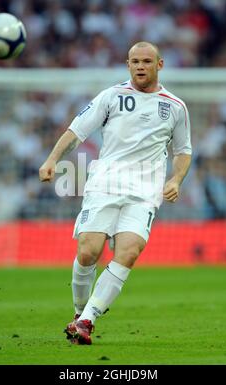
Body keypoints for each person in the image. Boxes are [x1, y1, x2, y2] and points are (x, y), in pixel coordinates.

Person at [39, 41, 192, 345]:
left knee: (129, 251)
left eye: (147, 61)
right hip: (105, 185)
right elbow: (77, 130)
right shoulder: (111, 96)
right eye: (134, 61)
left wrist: (176, 179)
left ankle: (87, 320)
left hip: (144, 192)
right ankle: (81, 313)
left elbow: (183, 150)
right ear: (127, 64)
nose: (140, 66)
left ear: (159, 65)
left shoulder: (175, 106)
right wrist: (52, 159)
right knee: (87, 251)